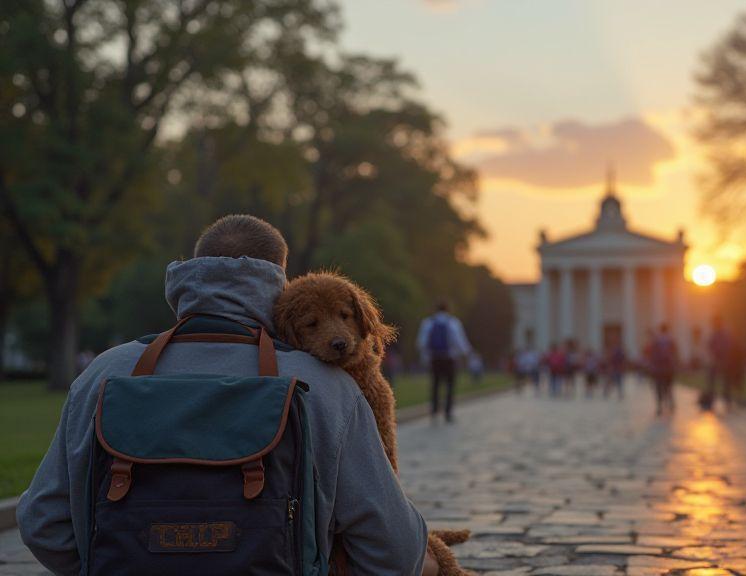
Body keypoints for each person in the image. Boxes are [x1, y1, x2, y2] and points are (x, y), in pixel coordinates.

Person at [17, 214, 437, 576]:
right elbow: (394, 549)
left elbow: (42, 523)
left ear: (188, 276)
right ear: (278, 282)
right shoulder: (322, 383)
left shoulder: (104, 373)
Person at [417, 300, 471, 423]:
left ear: (436, 309)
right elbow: (460, 341)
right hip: (449, 358)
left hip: (435, 358)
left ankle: (434, 411)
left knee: (435, 385)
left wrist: (425, 356)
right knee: (450, 385)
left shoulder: (428, 323)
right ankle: (448, 412)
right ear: (448, 310)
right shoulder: (453, 322)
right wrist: (466, 353)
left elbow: (421, 342)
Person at [648, 323, 679, 416]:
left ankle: (659, 406)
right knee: (668, 387)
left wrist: (651, 367)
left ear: (660, 330)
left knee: (658, 388)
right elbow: (675, 352)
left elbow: (652, 354)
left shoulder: (656, 340)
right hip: (668, 368)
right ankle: (671, 403)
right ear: (667, 329)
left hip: (658, 368)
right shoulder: (671, 339)